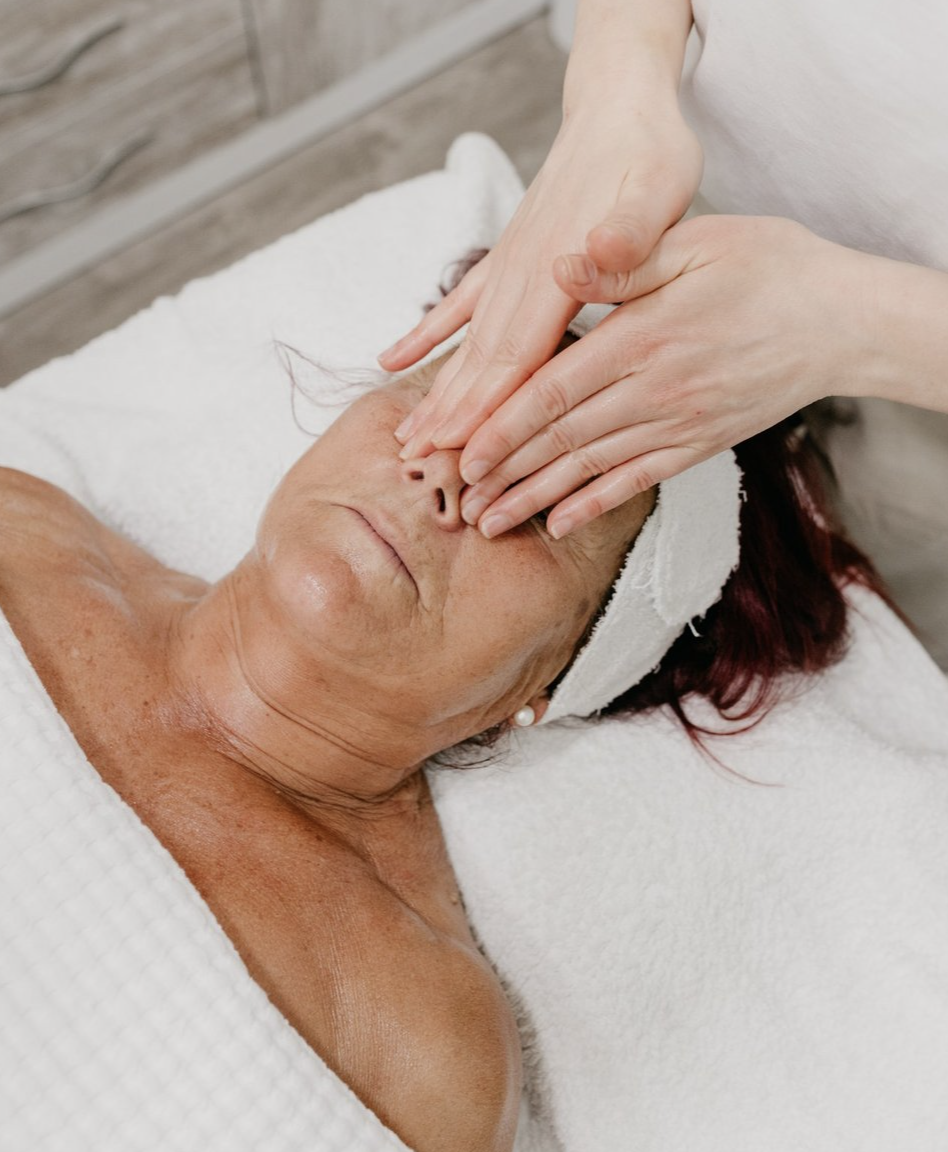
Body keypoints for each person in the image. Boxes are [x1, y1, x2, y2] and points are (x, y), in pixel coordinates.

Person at [0, 285, 880, 1151]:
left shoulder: (407, 1046)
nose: (448, 474)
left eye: (545, 505)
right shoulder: (20, 532)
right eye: (452, 400)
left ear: (553, 679)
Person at [379, 0, 948, 671]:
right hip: (696, 190)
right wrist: (618, 85)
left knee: (864, 611)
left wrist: (852, 325)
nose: (435, 498)